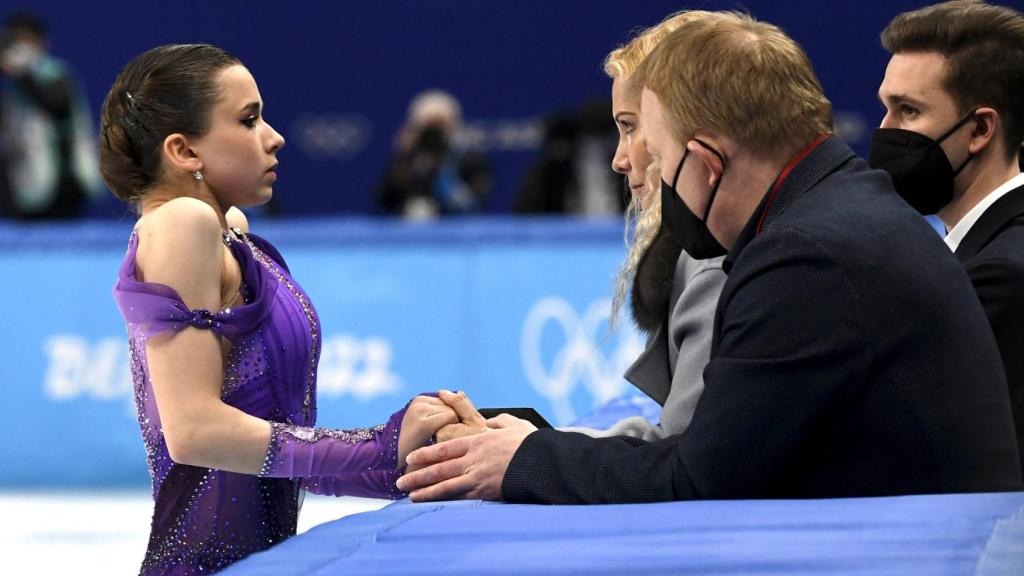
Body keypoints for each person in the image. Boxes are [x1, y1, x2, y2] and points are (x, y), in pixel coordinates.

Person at [397, 10, 1022, 504]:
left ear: (705, 164)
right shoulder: (840, 208)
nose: (643, 174)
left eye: (663, 164)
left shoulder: (806, 254)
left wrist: (523, 461)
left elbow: (698, 476)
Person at [103, 44, 460, 575]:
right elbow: (195, 432)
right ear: (183, 151)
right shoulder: (182, 222)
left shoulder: (231, 233)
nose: (274, 137)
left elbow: (267, 452)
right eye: (248, 120)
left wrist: (408, 463)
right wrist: (371, 450)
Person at [870, 0, 1024, 474]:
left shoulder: (999, 274)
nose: (884, 131)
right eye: (886, 108)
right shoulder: (979, 248)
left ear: (980, 128)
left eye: (908, 111)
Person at [561, 9, 728, 441]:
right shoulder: (705, 250)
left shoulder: (717, 258)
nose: (620, 159)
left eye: (631, 127)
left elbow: (685, 453)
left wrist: (532, 452)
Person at [0, 10, 100, 219]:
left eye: (25, 41)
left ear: (41, 42)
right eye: (14, 42)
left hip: (63, 185)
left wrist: (22, 71)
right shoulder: (12, 86)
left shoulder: (56, 73)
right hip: (24, 185)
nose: (20, 50)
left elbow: (56, 105)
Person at [375, 89, 491, 219]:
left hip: (455, 232)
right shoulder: (407, 158)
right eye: (428, 125)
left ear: (454, 125)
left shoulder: (469, 158)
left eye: (440, 125)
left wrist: (444, 169)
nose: (434, 133)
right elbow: (382, 201)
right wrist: (403, 158)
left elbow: (473, 204)